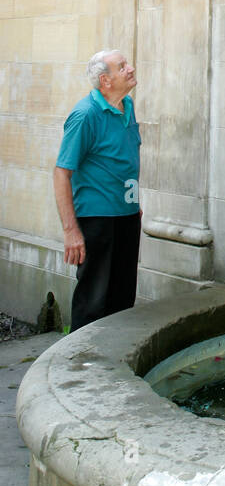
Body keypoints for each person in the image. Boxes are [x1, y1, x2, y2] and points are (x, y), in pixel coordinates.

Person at [54, 50, 142, 332]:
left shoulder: (126, 105)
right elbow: (61, 173)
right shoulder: (85, 115)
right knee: (94, 301)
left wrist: (134, 203)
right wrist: (71, 230)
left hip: (127, 215)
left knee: (122, 297)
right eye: (122, 66)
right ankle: (81, 368)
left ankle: (113, 364)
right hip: (96, 219)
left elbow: (123, 158)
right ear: (105, 80)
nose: (130, 69)